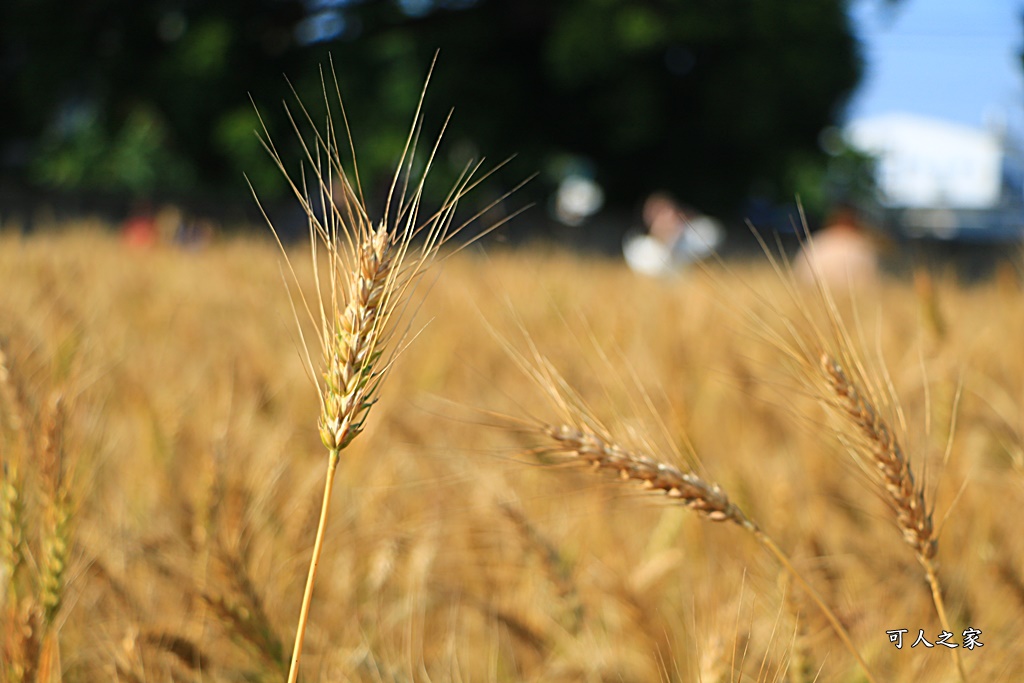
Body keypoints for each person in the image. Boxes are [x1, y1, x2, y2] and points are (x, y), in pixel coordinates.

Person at [623, 192, 723, 276]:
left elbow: (715, 234)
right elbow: (655, 271)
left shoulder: (691, 238)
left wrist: (688, 221)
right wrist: (664, 238)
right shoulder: (640, 247)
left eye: (670, 212)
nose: (667, 219)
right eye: (660, 214)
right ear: (648, 218)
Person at [793, 204, 879, 287]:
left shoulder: (815, 241)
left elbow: (798, 276)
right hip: (851, 298)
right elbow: (869, 285)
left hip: (809, 296)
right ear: (855, 221)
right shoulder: (862, 248)